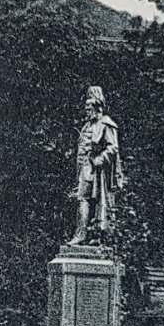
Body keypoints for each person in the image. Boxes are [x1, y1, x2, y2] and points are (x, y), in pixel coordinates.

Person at [68, 86, 122, 245]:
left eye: (89, 108)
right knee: (83, 199)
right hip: (85, 169)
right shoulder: (87, 126)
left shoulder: (106, 124)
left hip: (98, 171)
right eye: (85, 108)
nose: (86, 111)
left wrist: (98, 160)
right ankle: (83, 234)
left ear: (98, 108)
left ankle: (92, 235)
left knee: (95, 202)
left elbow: (113, 148)